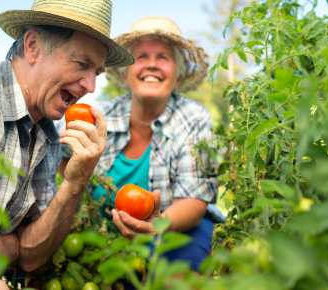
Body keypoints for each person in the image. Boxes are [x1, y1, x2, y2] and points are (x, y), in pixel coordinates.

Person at [0, 0, 134, 282]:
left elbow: (33, 254)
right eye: (82, 64)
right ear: (32, 46)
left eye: (95, 72)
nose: (91, 86)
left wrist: (76, 181)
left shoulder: (48, 132)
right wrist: (11, 243)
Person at [58, 16, 221, 272]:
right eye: (142, 56)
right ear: (125, 75)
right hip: (102, 238)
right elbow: (61, 156)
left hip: (173, 232)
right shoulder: (99, 116)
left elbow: (194, 200)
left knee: (175, 273)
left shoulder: (194, 118)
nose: (152, 65)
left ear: (177, 78)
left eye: (164, 58)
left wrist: (155, 226)